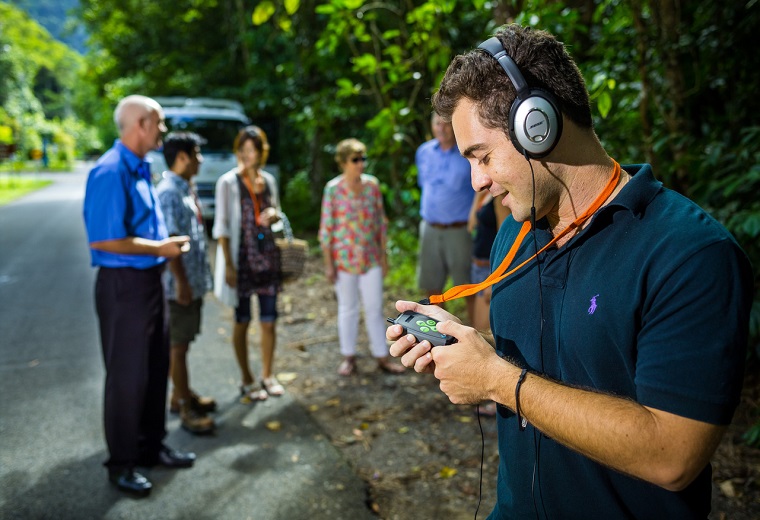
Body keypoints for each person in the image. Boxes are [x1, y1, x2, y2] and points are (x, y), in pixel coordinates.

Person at [387, 25, 753, 519]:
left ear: (535, 125)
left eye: (483, 156)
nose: (475, 181)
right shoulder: (514, 236)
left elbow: (673, 455)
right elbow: (555, 363)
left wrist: (498, 382)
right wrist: (473, 353)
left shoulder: (690, 254)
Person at [83, 95, 197, 498]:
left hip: (149, 284)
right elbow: (104, 238)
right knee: (127, 378)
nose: (163, 131)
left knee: (153, 368)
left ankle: (151, 447)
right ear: (142, 123)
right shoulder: (109, 171)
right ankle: (122, 463)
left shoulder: (141, 168)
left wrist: (163, 249)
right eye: (160, 123)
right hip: (122, 289)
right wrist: (160, 249)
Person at [318, 138, 405, 376]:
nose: (360, 164)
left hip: (371, 259)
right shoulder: (333, 189)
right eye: (355, 159)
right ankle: (349, 357)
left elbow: (380, 224)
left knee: (375, 308)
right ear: (343, 162)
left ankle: (381, 357)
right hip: (343, 260)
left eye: (362, 158)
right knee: (347, 308)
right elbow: (326, 229)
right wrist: (328, 264)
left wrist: (384, 258)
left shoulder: (372, 186)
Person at [213, 125, 284, 402]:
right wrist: (229, 265)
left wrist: (274, 216)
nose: (246, 155)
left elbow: (276, 214)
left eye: (252, 150)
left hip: (268, 260)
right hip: (241, 262)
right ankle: (246, 378)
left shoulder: (268, 180)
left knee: (269, 322)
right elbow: (221, 228)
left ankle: (267, 375)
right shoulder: (228, 183)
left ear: (260, 152)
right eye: (242, 150)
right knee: (242, 321)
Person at [156, 132, 216, 434]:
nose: (200, 160)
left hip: (190, 281)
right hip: (179, 285)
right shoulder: (169, 192)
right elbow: (170, 242)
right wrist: (181, 283)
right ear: (182, 158)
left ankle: (182, 393)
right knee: (177, 347)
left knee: (184, 343)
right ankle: (184, 408)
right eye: (196, 153)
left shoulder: (183, 188)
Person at [415, 112, 475, 322]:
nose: (441, 128)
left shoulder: (466, 153)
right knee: (431, 286)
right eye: (436, 123)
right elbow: (425, 185)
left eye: (446, 124)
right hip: (429, 228)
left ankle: (476, 334)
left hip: (459, 230)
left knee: (467, 286)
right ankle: (437, 333)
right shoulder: (423, 152)